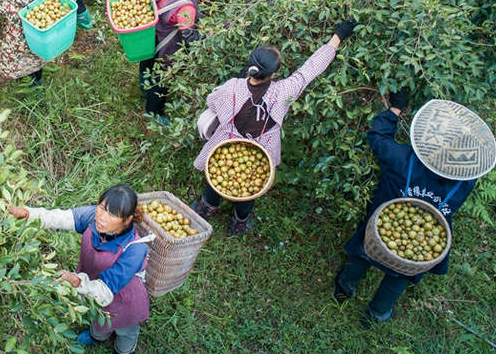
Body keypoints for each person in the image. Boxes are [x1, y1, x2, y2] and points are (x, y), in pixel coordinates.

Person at [334, 95, 495, 328]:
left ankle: (343, 288)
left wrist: (395, 109)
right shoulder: (465, 182)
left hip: (381, 223)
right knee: (402, 274)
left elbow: (378, 136)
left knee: (364, 251)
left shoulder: (403, 159)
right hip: (427, 239)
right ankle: (377, 313)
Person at [190, 19, 358, 235]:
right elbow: (311, 69)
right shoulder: (283, 91)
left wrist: (237, 85)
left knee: (215, 179)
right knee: (251, 188)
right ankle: (238, 224)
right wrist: (339, 35)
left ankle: (205, 210)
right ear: (273, 74)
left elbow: (212, 101)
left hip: (227, 141)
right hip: (263, 147)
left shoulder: (233, 87)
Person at [8, 185, 152, 354]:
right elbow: (62, 217)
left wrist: (76, 281)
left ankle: (124, 350)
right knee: (99, 320)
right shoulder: (94, 217)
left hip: (124, 297)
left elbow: (105, 291)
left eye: (112, 214)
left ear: (127, 220)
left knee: (125, 328)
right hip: (92, 283)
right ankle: (98, 337)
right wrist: (28, 213)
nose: (102, 217)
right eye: (102, 208)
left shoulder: (135, 249)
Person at [139, 0, 216, 126]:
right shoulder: (186, 8)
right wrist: (208, 37)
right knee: (162, 79)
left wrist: (200, 17)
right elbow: (189, 36)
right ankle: (153, 111)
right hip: (167, 46)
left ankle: (144, 85)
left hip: (153, 34)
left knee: (147, 64)